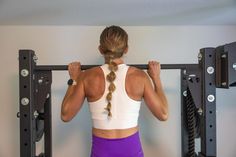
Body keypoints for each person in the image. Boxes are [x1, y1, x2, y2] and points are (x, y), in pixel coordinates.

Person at [61, 25, 169, 157]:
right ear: (126, 49)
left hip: (102, 149)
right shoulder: (139, 76)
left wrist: (73, 80)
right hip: (131, 148)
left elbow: (65, 115)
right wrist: (156, 78)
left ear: (100, 50)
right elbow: (163, 114)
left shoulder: (87, 77)